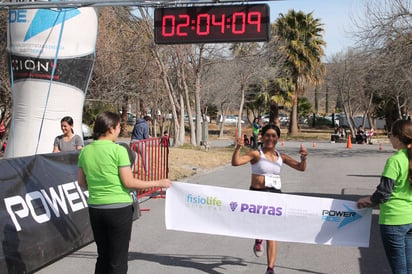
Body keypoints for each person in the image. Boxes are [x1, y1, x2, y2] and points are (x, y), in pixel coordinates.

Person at [77, 111, 171, 274]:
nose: (120, 130)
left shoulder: (85, 151)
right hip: (118, 209)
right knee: (118, 259)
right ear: (111, 129)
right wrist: (159, 182)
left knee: (103, 256)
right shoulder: (119, 150)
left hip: (96, 208)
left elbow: (81, 182)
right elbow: (129, 182)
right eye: (119, 127)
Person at [231, 123, 308, 274]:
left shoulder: (281, 157)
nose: (270, 138)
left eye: (273, 136)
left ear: (278, 138)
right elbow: (236, 163)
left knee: (272, 233)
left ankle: (270, 268)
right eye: (267, 135)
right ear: (262, 137)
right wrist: (238, 148)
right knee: (259, 226)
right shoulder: (256, 154)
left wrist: (303, 157)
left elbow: (300, 167)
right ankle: (258, 238)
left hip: (274, 196)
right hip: (257, 195)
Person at [357, 119, 412, 274]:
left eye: (391, 134)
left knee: (399, 268)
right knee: (409, 266)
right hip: (410, 218)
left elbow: (384, 192)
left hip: (394, 220)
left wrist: (367, 200)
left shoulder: (395, 161)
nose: (389, 138)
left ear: (398, 137)